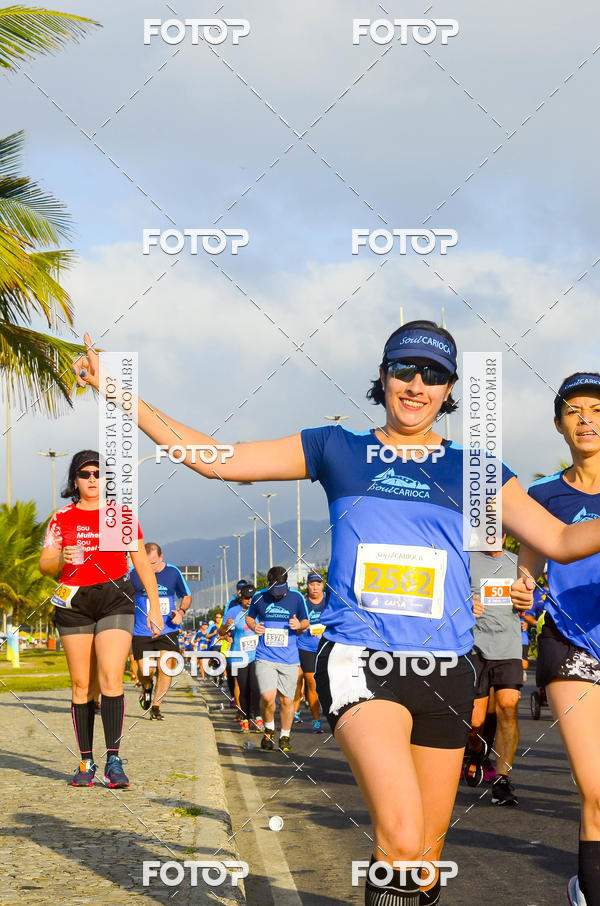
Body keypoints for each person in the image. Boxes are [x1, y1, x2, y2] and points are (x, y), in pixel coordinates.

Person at [74, 326, 600, 906]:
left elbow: (562, 540)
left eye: (432, 374)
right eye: (404, 369)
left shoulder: (477, 470)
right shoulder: (338, 448)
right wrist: (120, 393)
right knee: (400, 835)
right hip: (361, 660)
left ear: (449, 388)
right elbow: (216, 460)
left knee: (422, 861)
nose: (416, 384)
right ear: (382, 375)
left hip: (448, 669)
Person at [512, 372, 600, 906]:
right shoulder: (541, 497)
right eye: (574, 411)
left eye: (596, 408)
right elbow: (527, 578)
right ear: (558, 425)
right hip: (571, 643)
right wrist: (523, 597)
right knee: (596, 790)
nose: (587, 419)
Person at [38, 450, 162, 788]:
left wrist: (154, 605)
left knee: (111, 678)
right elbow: (45, 566)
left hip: (115, 600)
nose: (92, 479)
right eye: (85, 474)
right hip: (74, 601)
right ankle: (85, 761)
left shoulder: (119, 515)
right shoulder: (61, 519)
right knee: (81, 685)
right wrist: (60, 556)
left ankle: (114, 759)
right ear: (74, 481)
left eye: (98, 473)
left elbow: (140, 562)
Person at [463, 538, 522, 805]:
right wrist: (466, 605)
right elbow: (447, 595)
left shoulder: (518, 563)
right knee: (474, 723)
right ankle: (476, 753)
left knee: (508, 706)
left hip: (508, 647)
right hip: (475, 647)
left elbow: (528, 599)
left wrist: (527, 600)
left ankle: (502, 780)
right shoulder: (466, 559)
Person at [245, 567, 309, 753]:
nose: (279, 595)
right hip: (264, 656)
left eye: (281, 591)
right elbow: (249, 617)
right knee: (267, 696)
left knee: (287, 701)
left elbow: (305, 622)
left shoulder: (296, 597)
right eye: (275, 592)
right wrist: (254, 626)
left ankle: (285, 735)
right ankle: (269, 729)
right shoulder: (259, 597)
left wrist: (299, 625)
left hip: (289, 658)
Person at [130, 542, 191, 720]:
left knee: (166, 666)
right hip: (142, 630)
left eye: (155, 564)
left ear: (162, 558)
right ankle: (147, 686)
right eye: (148, 564)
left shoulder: (173, 572)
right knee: (145, 670)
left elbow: (186, 595)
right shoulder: (134, 573)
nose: (152, 568)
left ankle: (156, 706)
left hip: (168, 629)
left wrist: (181, 612)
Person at [221, 583, 262, 732]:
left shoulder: (260, 610)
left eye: (252, 598)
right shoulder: (233, 611)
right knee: (243, 688)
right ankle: (245, 718)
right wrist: (226, 626)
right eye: (246, 598)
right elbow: (221, 632)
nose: (249, 601)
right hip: (239, 655)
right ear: (241, 598)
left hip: (257, 655)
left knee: (256, 688)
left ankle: (257, 717)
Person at [294, 571, 327, 733]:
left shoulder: (329, 600)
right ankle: (316, 721)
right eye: (312, 584)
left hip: (327, 646)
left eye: (318, 584)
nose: (315, 587)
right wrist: (302, 627)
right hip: (306, 647)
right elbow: (296, 631)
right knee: (310, 682)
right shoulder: (303, 603)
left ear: (323, 585)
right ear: (307, 586)